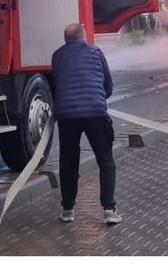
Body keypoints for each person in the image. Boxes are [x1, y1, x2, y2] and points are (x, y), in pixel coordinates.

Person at [51, 23, 121, 225]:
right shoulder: (95, 51)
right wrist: (99, 98)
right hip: (95, 113)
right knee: (105, 160)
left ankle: (68, 210)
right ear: (83, 36)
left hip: (67, 115)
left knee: (68, 162)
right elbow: (108, 85)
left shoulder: (57, 56)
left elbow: (58, 84)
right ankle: (109, 210)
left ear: (66, 40)